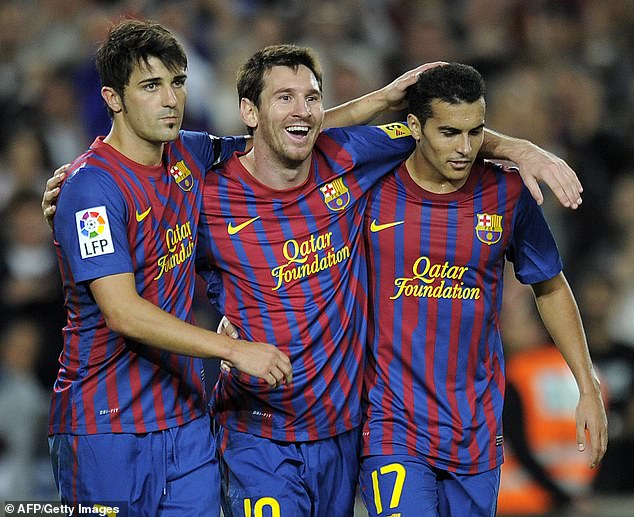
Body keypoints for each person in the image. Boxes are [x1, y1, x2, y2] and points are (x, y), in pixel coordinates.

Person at [196, 47, 589, 517]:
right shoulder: (206, 188)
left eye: (312, 98)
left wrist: (517, 147)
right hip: (302, 425)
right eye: (284, 97)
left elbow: (443, 132)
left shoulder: (352, 163)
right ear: (248, 111)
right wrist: (220, 343)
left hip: (353, 428)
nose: (464, 146)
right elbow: (156, 274)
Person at [47, 20, 292, 516]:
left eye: (177, 83)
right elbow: (123, 314)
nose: (170, 100)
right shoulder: (90, 191)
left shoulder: (188, 154)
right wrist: (234, 350)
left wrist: (388, 102)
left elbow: (286, 135)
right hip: (104, 429)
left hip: (184, 424)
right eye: (151, 86)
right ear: (113, 98)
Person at [358, 63, 607, 516]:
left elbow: (549, 286)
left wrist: (586, 384)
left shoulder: (507, 192)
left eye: (476, 132)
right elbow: (298, 140)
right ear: (413, 126)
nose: (465, 148)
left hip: (474, 426)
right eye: (450, 132)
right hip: (390, 421)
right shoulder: (369, 185)